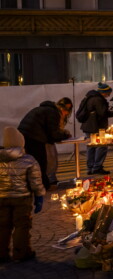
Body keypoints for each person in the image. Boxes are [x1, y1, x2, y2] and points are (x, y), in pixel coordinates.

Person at [0, 127, 46, 262]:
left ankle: (1, 253)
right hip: (22, 198)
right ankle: (21, 252)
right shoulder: (28, 160)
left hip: (1, 198)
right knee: (22, 225)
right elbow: (35, 181)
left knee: (2, 225)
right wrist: (39, 196)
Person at [17, 98, 71, 190]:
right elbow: (54, 134)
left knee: (31, 163)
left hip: (24, 136)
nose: (65, 115)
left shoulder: (44, 109)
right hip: (33, 138)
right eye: (66, 113)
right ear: (62, 110)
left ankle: (34, 185)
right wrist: (65, 135)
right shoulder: (53, 113)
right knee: (40, 163)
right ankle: (43, 186)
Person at [80, 83, 113, 175]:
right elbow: (102, 113)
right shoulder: (98, 99)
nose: (109, 95)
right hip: (96, 126)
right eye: (108, 93)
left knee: (91, 147)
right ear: (104, 92)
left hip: (88, 126)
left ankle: (90, 167)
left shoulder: (90, 97)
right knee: (102, 146)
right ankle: (97, 167)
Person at [46, 98, 72, 187]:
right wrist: (63, 135)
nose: (67, 112)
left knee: (53, 157)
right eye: (66, 109)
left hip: (46, 138)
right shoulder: (53, 114)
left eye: (69, 110)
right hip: (44, 139)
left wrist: (63, 133)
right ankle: (50, 180)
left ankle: (51, 179)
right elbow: (53, 132)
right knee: (51, 158)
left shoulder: (55, 114)